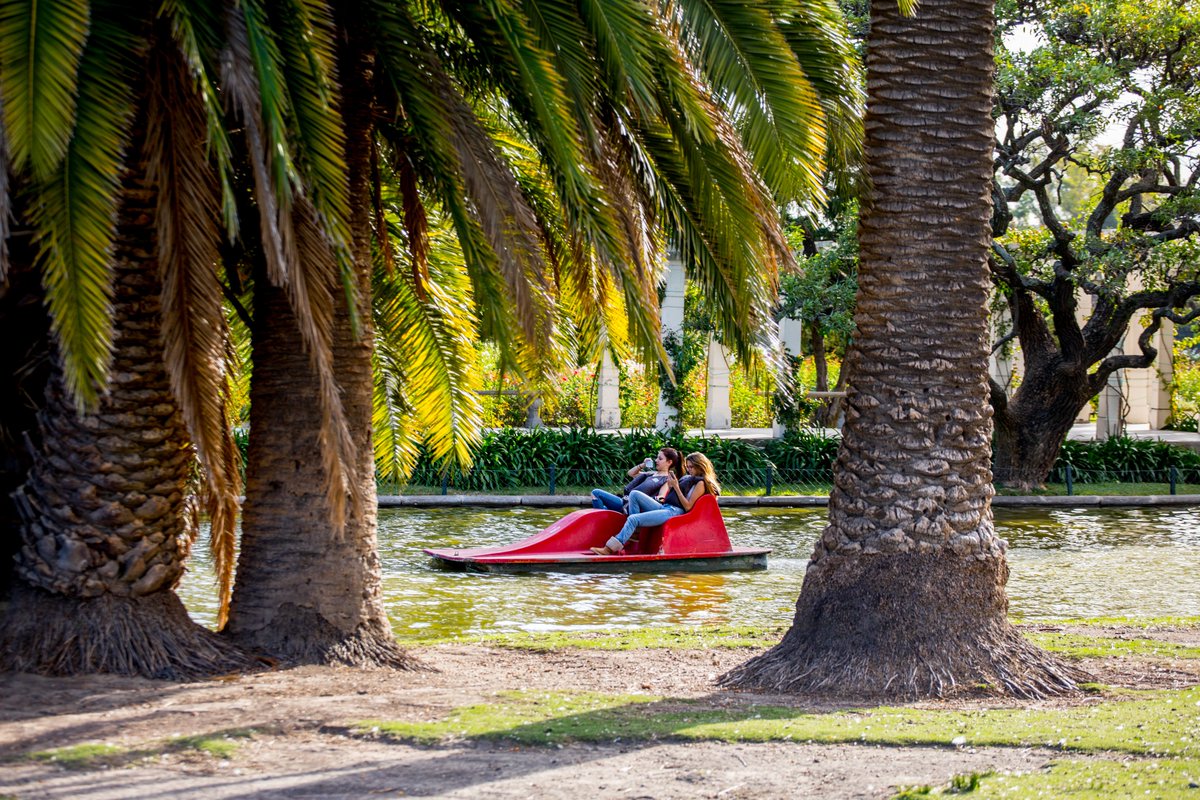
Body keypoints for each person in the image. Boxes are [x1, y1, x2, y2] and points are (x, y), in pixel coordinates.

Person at [591, 452, 721, 555]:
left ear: (700, 466)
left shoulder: (701, 483)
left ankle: (609, 549)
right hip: (665, 506)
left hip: (675, 511)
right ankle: (635, 533)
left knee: (633, 518)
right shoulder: (689, 478)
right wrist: (671, 486)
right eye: (688, 467)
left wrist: (675, 487)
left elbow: (687, 506)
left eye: (692, 467)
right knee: (634, 494)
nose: (689, 470)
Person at [589, 448, 682, 513]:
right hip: (625, 501)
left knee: (596, 493)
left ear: (669, 462)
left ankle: (602, 522)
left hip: (630, 506)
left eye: (660, 458)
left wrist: (642, 501)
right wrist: (643, 465)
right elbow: (631, 473)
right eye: (657, 457)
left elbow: (661, 497)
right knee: (602, 507)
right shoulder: (651, 474)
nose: (656, 460)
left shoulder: (667, 479)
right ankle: (604, 520)